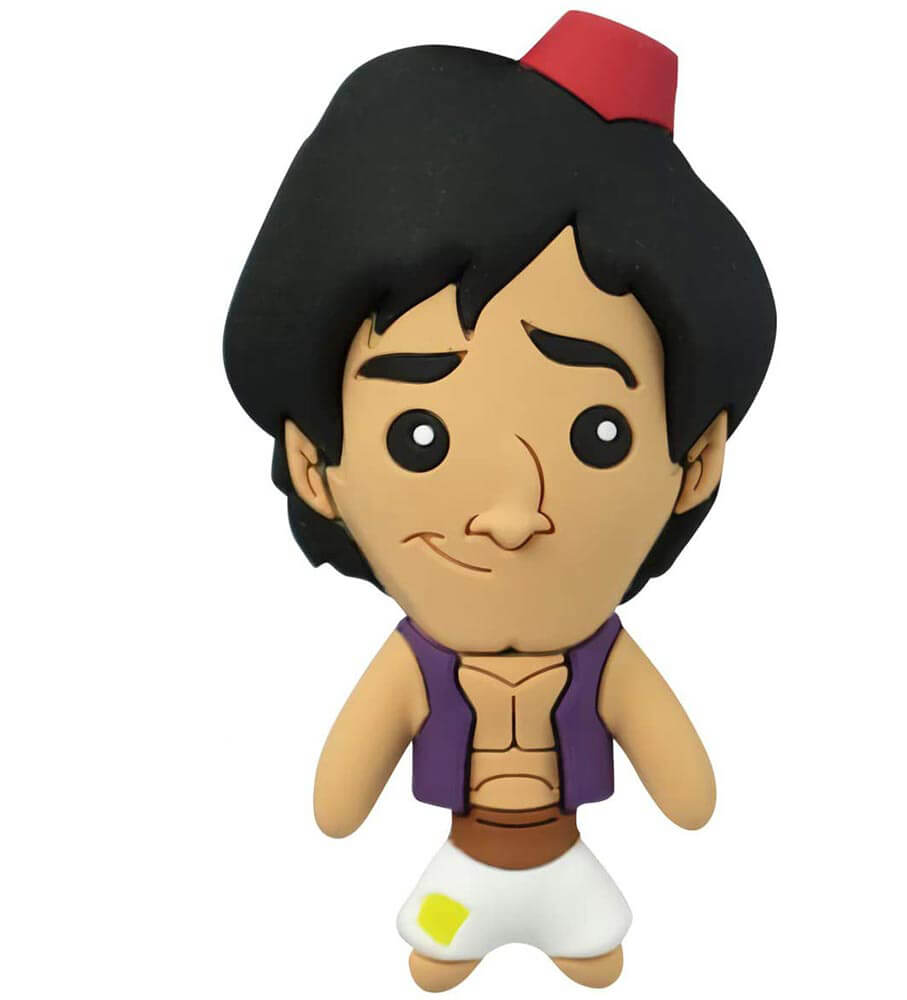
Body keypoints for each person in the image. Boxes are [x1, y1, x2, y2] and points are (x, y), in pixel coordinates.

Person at [224, 11, 775, 991]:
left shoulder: (603, 659)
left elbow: (689, 796)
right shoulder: (416, 664)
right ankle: (458, 935)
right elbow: (338, 803)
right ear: (315, 467)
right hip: (465, 857)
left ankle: (558, 933)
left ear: (694, 463)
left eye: (598, 433)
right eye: (418, 435)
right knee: (439, 933)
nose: (514, 515)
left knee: (593, 937)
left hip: (565, 856)